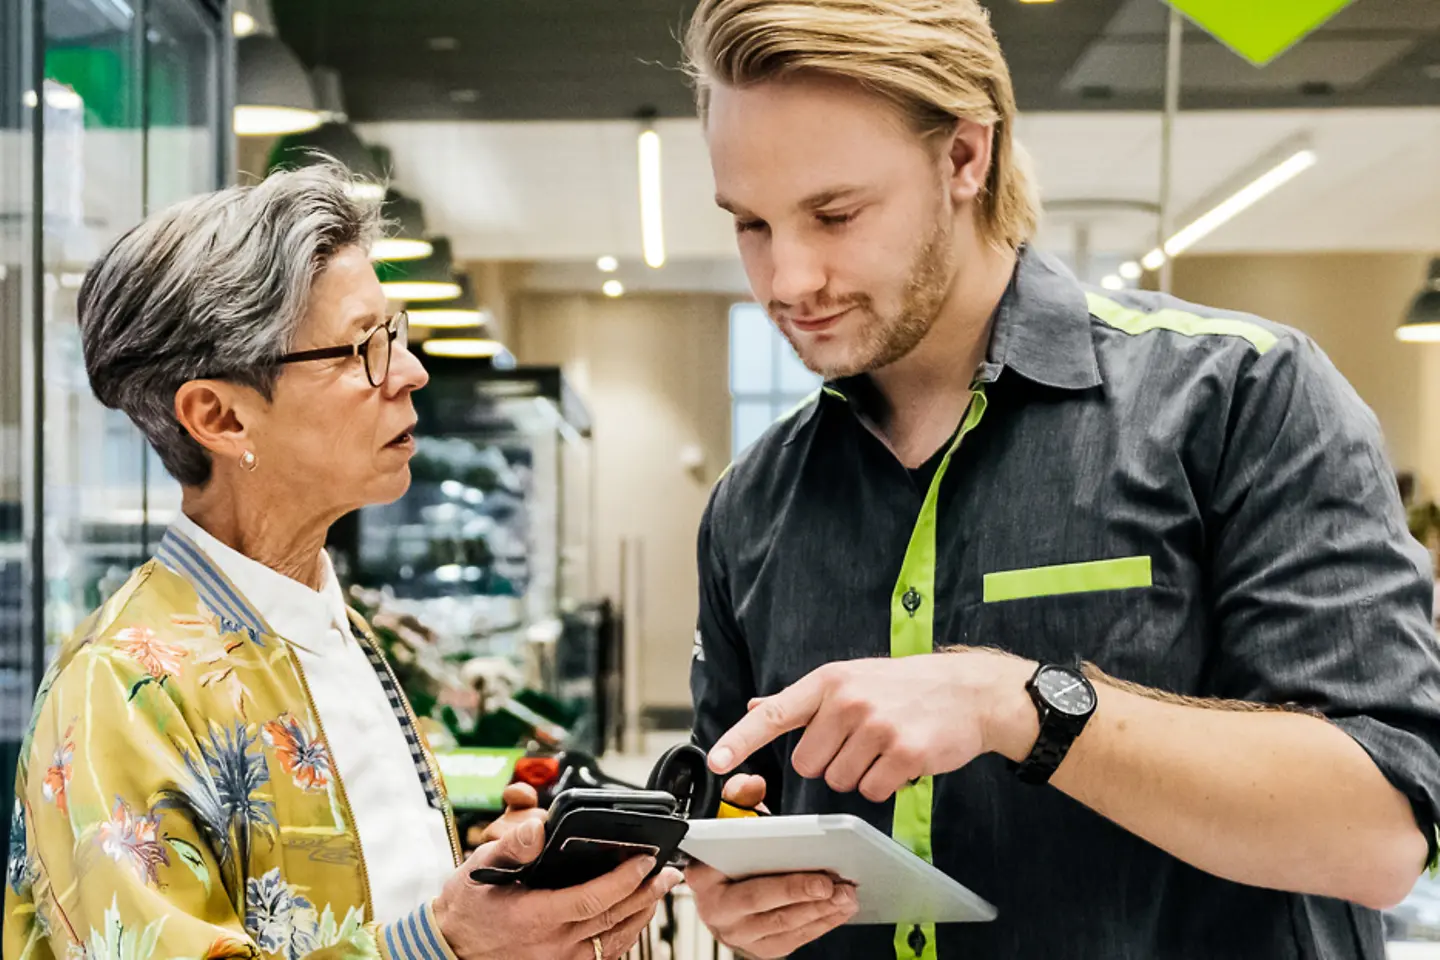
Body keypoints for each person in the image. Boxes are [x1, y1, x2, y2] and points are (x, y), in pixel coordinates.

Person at [681, 2, 1440, 958]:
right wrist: (739, 896)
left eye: (835, 215)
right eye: (752, 223)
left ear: (966, 156)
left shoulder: (1243, 397)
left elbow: (1379, 836)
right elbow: (731, 813)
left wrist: (1018, 704)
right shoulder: (751, 503)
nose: (789, 279)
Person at [2, 165, 679, 960]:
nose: (411, 371)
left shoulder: (332, 621)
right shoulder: (121, 688)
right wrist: (445, 942)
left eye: (394, 333)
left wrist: (489, 889)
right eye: (363, 348)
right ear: (219, 416)